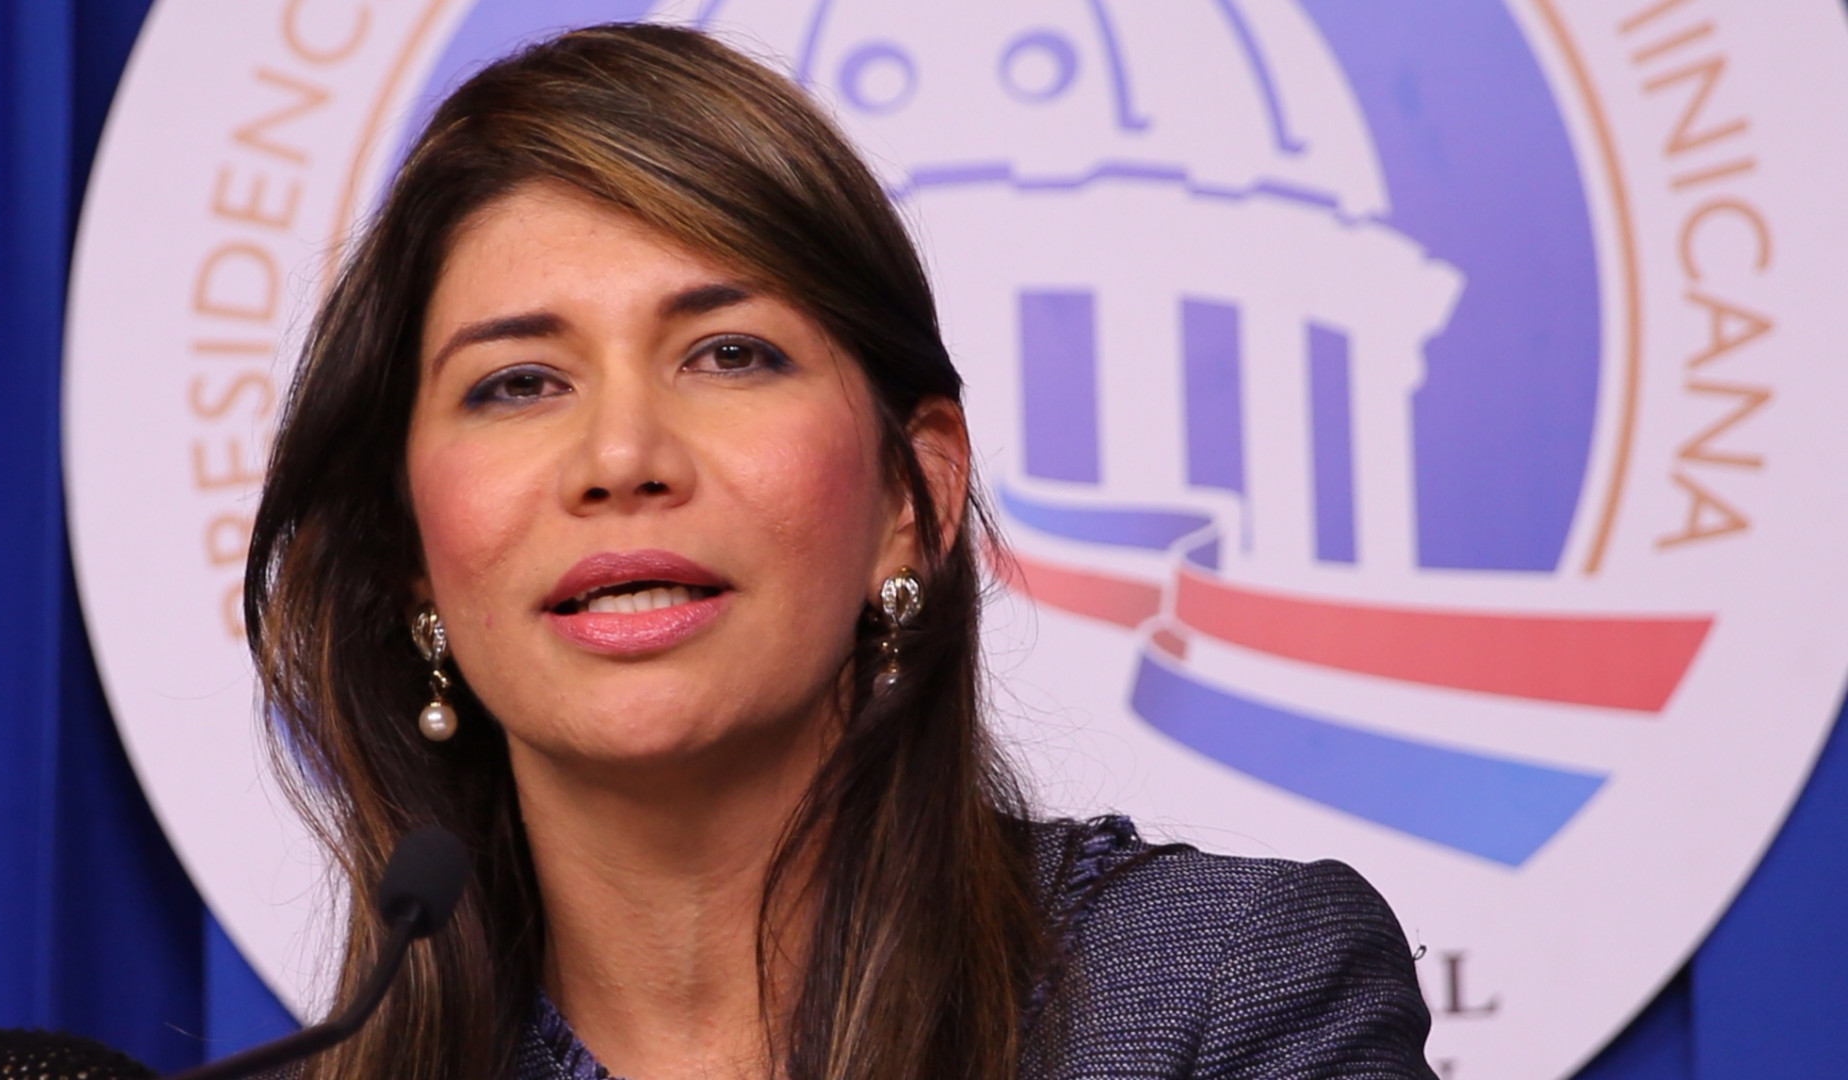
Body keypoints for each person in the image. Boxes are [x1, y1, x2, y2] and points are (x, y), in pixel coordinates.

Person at [242, 21, 1435, 1080]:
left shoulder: (1222, 991)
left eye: (729, 355)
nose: (620, 456)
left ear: (913, 496)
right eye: (517, 382)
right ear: (407, 549)